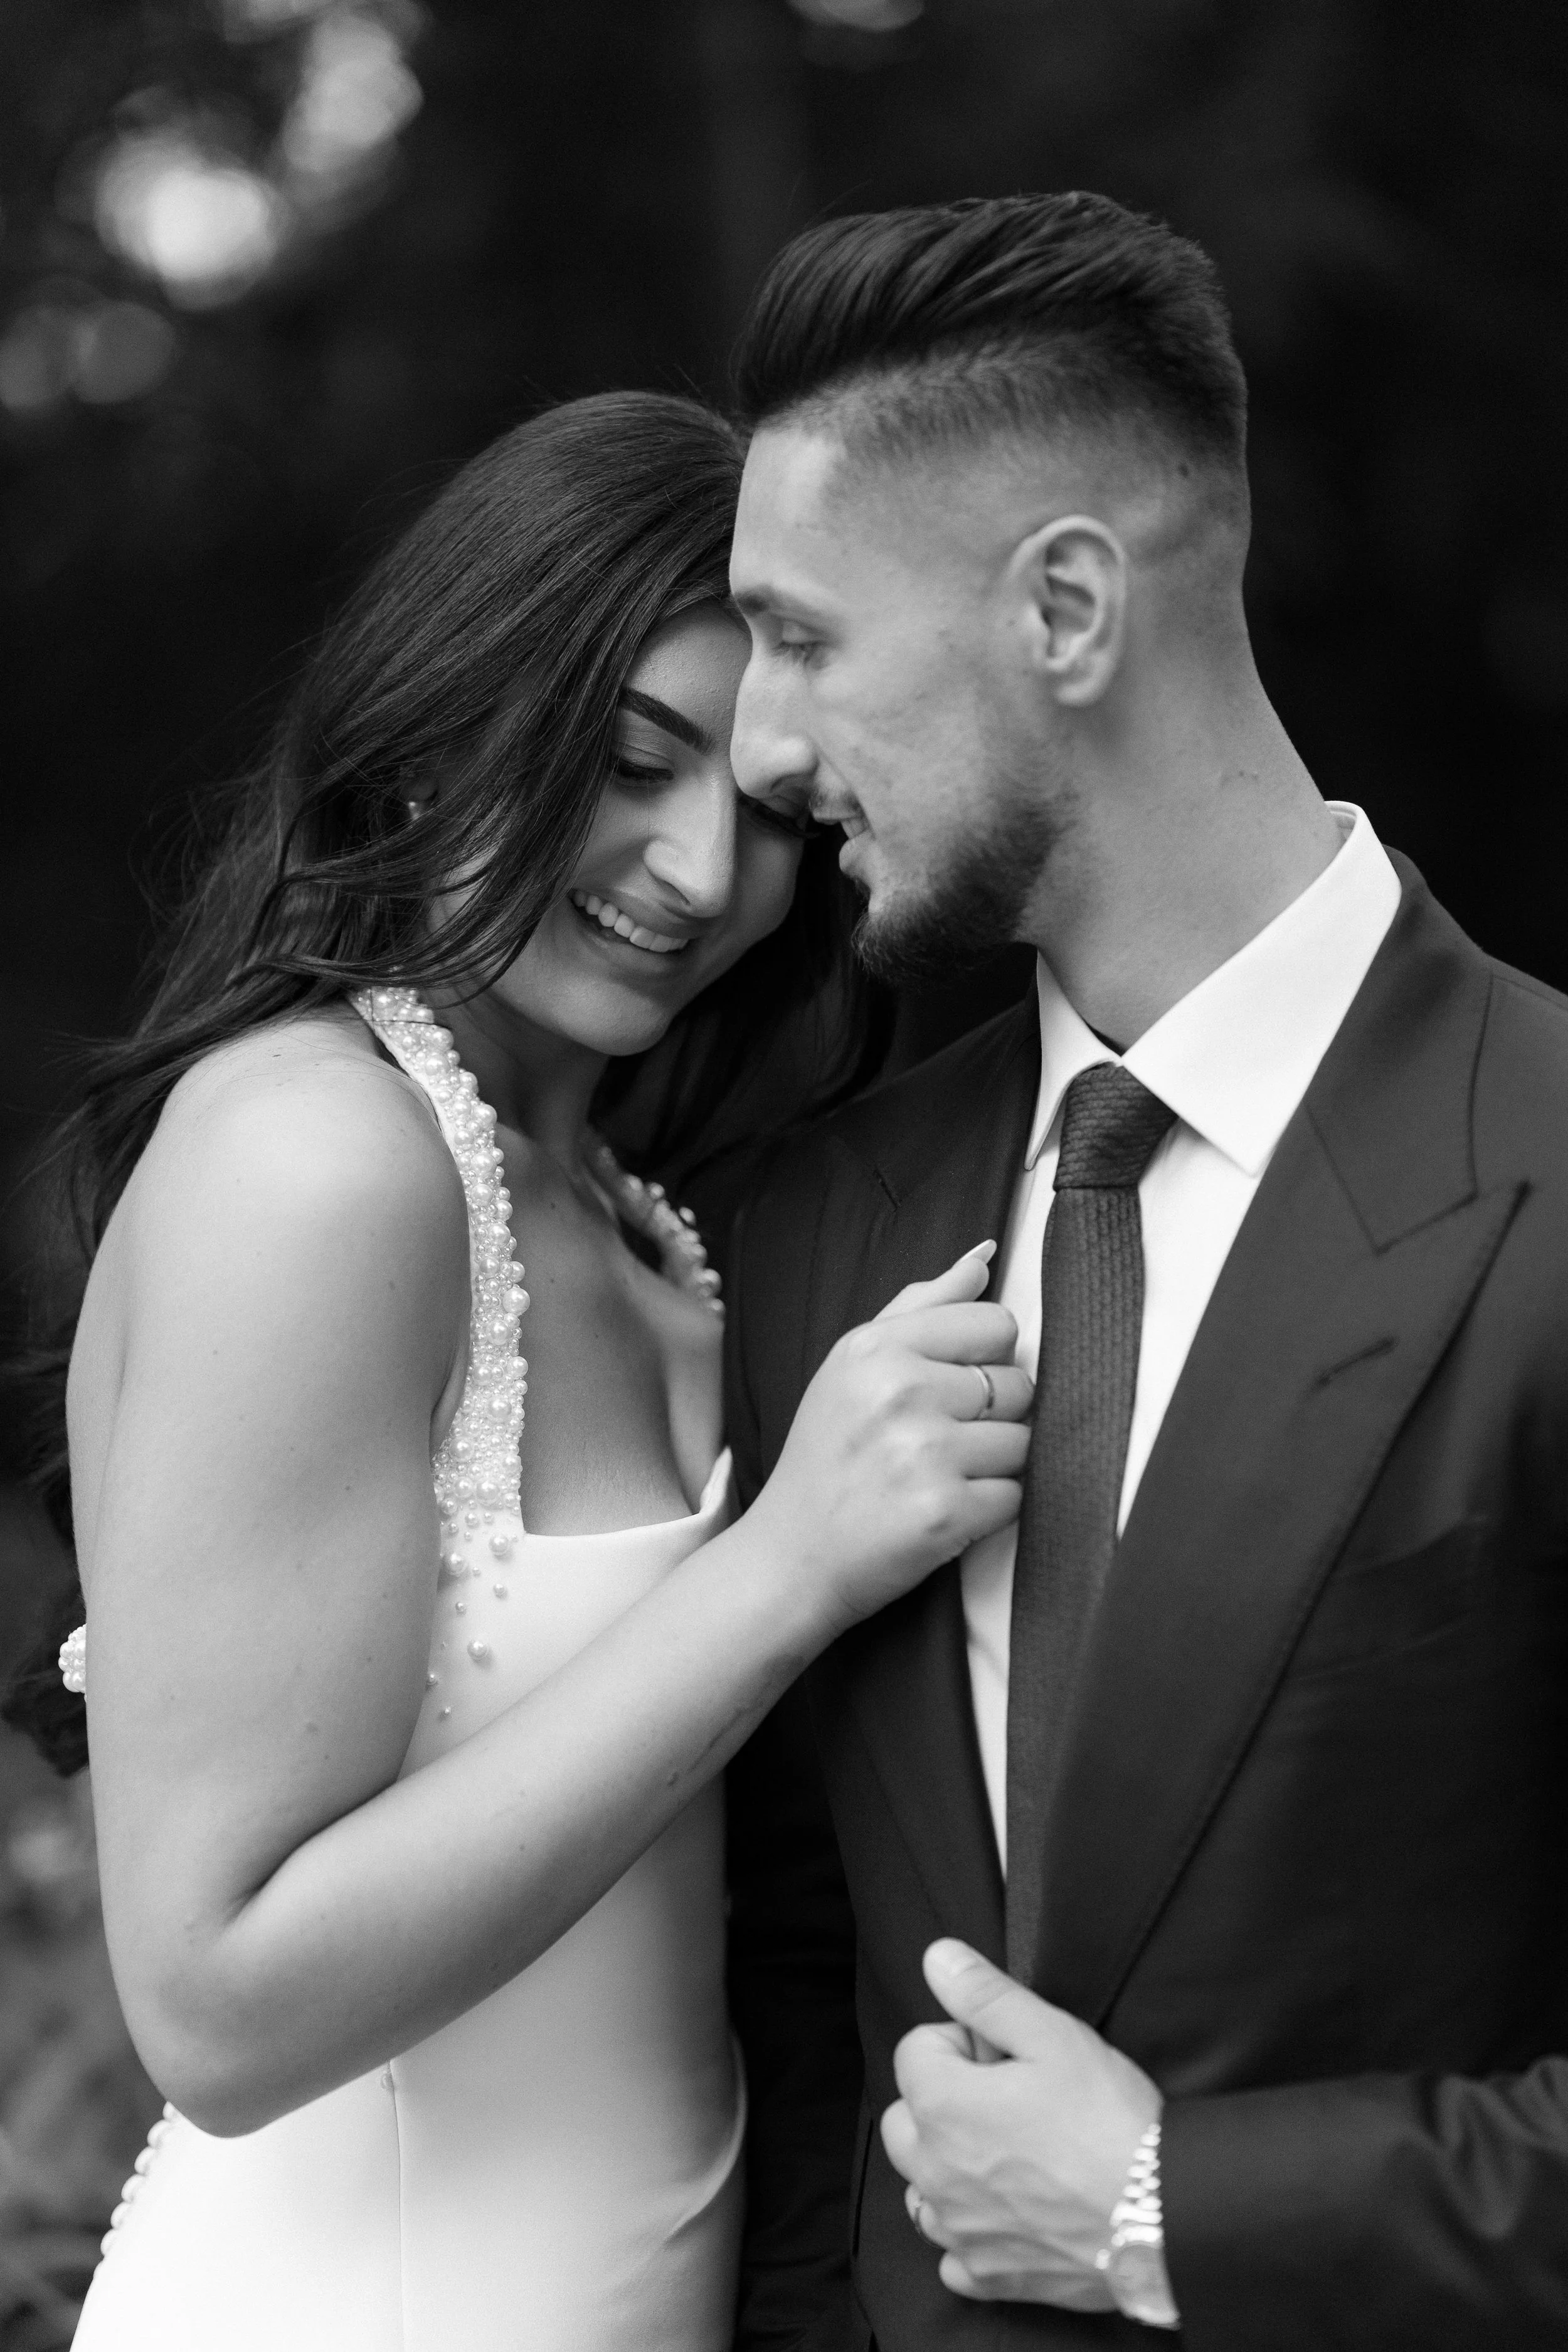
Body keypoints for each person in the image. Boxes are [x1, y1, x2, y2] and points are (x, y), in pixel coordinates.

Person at [1, 391, 1034, 2352]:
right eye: (632, 759)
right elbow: (218, 2003)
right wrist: (782, 1564)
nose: (693, 869)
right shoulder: (318, 1159)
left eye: (762, 808)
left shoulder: (653, 1221)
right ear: (457, 702)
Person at [722, 191, 1568, 2351]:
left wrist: (1173, 2205)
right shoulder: (815, 1224)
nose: (757, 750)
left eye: (802, 636)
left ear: (1066, 607)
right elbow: (794, 2005)